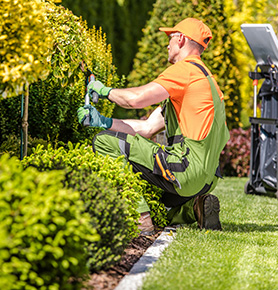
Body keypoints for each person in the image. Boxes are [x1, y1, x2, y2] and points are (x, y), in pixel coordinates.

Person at [77, 18, 230, 235]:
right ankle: (193, 208)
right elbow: (147, 128)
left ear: (181, 39)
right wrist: (103, 122)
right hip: (206, 180)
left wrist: (104, 91)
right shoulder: (206, 80)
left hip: (185, 170)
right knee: (156, 200)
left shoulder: (185, 71)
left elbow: (135, 100)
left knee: (103, 141)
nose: (167, 45)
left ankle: (140, 219)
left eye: (170, 39)